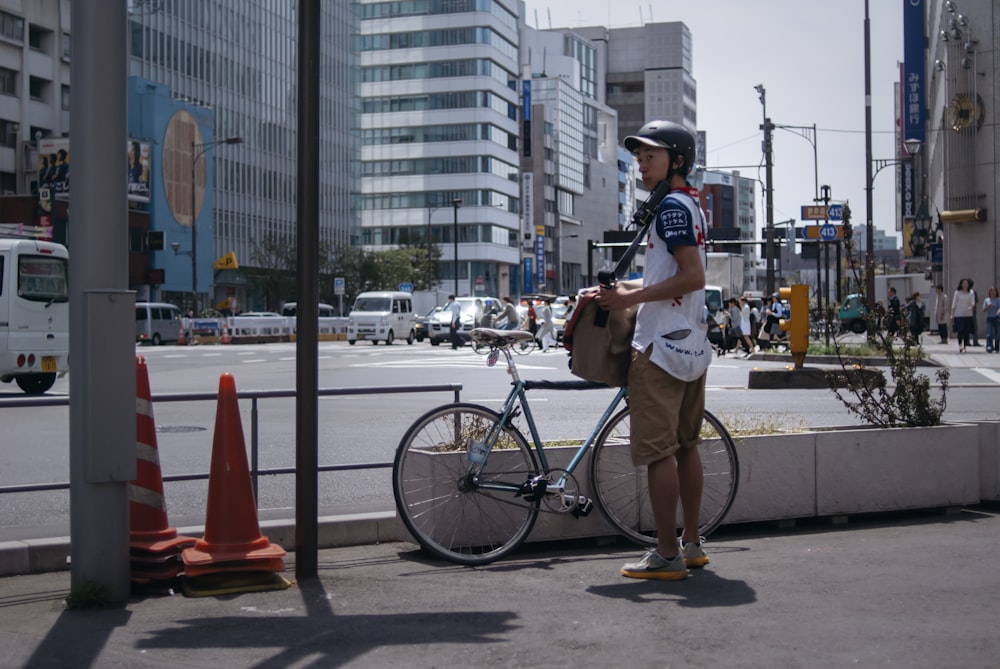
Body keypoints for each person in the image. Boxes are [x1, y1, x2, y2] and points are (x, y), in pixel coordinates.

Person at [594, 119, 712, 581]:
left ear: (676, 161)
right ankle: (692, 543)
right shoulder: (689, 205)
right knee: (686, 447)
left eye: (651, 157)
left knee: (661, 452)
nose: (641, 166)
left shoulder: (670, 210)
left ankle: (666, 554)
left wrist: (626, 298)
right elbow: (675, 276)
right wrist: (628, 285)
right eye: (638, 158)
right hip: (691, 343)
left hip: (660, 348)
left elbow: (691, 276)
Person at [951, 278, 975, 353]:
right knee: (960, 330)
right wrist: (952, 314)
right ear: (961, 284)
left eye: (966, 283)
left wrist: (970, 307)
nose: (965, 285)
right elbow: (954, 304)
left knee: (966, 331)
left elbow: (973, 303)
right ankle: (960, 344)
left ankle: (965, 346)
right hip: (959, 314)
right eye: (963, 283)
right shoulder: (957, 292)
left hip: (968, 314)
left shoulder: (971, 292)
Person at [983, 286, 1000, 353]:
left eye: (994, 291)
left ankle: (996, 347)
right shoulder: (987, 300)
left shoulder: (998, 299)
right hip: (989, 318)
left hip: (997, 318)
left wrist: (998, 311)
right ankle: (989, 346)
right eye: (991, 291)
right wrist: (988, 306)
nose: (993, 293)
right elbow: (984, 309)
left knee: (997, 334)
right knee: (989, 333)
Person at [969, 279, 980, 346]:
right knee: (974, 327)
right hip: (973, 311)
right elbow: (976, 300)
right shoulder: (973, 292)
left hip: (966, 311)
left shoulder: (964, 292)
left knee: (966, 327)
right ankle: (975, 341)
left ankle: (966, 341)